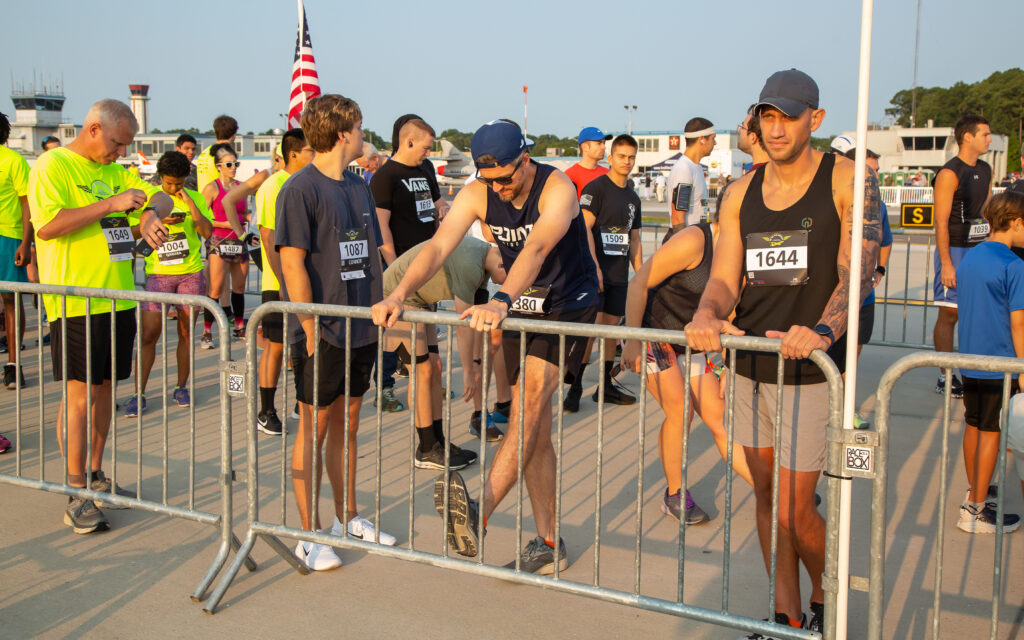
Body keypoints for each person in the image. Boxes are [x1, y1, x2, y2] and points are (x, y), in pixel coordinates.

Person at [685, 69, 880, 634]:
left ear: (815, 120)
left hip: (811, 370)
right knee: (768, 500)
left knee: (797, 508)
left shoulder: (846, 179)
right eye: (767, 117)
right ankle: (784, 616)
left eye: (788, 118)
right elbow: (725, 278)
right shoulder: (739, 192)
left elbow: (859, 272)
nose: (775, 129)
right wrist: (707, 313)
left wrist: (821, 331)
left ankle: (826, 601)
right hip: (750, 365)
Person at [373, 118, 599, 575]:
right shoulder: (479, 192)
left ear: (525, 159)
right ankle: (549, 542)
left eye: (505, 178)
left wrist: (500, 300)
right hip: (522, 303)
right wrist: (398, 294)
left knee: (527, 408)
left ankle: (479, 510)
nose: (498, 189)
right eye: (489, 180)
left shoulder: (558, 189)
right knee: (533, 429)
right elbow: (437, 248)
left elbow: (536, 249)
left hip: (566, 304)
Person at [28, 99, 172, 534]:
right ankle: (75, 491)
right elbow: (48, 226)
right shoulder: (53, 165)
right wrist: (111, 205)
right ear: (93, 129)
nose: (120, 153)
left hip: (118, 299)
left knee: (106, 390)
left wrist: (150, 213)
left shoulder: (115, 171)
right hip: (77, 302)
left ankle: (94, 475)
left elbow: (162, 194)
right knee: (80, 396)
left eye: (126, 145)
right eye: (116, 143)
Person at [277, 94, 397, 571]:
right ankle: (308, 534)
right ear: (343, 132)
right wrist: (309, 324)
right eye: (361, 126)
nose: (365, 134)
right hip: (322, 329)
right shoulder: (300, 189)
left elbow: (370, 252)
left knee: (348, 422)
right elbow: (291, 263)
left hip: (361, 322)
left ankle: (347, 517)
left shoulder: (359, 185)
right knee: (315, 426)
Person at [621, 194, 754, 525]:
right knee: (681, 411)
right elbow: (638, 284)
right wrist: (633, 341)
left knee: (720, 417)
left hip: (692, 341)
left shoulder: (744, 253)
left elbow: (731, 313)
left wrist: (726, 365)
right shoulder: (695, 240)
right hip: (652, 332)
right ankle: (675, 494)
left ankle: (771, 490)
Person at [382, 236, 509, 463]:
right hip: (398, 297)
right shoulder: (471, 262)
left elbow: (475, 321)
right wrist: (468, 372)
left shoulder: (483, 263)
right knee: (422, 372)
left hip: (421, 302)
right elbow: (463, 326)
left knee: (435, 367)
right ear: (502, 264)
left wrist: (476, 363)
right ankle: (427, 448)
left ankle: (438, 441)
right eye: (507, 281)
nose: (503, 287)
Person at [954, 190, 1024, 534]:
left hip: (970, 357)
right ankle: (975, 510)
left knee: (974, 424)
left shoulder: (972, 257)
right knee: (992, 432)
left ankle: (975, 492)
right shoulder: (1014, 264)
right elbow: (1019, 323)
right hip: (1000, 360)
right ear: (1017, 223)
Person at [125, 151, 214, 416]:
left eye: (179, 183)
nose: (174, 188)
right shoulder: (150, 200)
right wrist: (158, 220)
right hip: (159, 274)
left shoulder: (195, 197)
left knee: (186, 333)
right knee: (149, 334)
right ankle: (138, 393)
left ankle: (181, 386)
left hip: (190, 274)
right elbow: (130, 232)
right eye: (169, 183)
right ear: (160, 177)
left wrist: (192, 206)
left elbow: (207, 232)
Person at [371, 116, 448, 413]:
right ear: (409, 141)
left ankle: (429, 379)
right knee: (394, 330)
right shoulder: (385, 176)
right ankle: (385, 387)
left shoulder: (425, 168)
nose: (428, 153)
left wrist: (443, 207)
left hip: (427, 263)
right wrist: (394, 267)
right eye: (425, 148)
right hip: (400, 266)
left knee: (427, 327)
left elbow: (436, 201)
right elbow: (381, 226)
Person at [564, 134, 642, 411]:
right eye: (621, 156)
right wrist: (594, 266)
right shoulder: (596, 189)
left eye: (631, 157)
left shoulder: (633, 197)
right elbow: (584, 228)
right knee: (591, 331)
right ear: (610, 158)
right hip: (595, 275)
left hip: (619, 276)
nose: (626, 161)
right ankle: (575, 387)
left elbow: (634, 240)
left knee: (610, 332)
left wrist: (641, 276)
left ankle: (605, 386)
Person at [829, 138, 894, 429]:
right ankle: (827, 409)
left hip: (863, 299)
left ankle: (845, 410)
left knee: (850, 360)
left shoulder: (879, 206)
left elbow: (886, 241)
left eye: (877, 171)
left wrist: (879, 269)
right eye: (871, 170)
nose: (875, 176)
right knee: (826, 358)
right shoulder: (832, 201)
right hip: (831, 298)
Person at [253, 128, 313, 435]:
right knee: (275, 347)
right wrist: (282, 282)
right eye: (310, 151)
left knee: (303, 345)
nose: (315, 155)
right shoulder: (273, 186)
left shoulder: (307, 183)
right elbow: (268, 236)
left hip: (303, 281)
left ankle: (301, 403)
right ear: (293, 154)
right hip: (277, 283)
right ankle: (266, 410)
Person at [932, 114, 993, 398]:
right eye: (985, 134)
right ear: (968, 137)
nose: (989, 140)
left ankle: (974, 372)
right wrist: (946, 263)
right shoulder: (949, 173)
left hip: (980, 249)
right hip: (955, 250)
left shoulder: (986, 169)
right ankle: (945, 376)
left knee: (977, 313)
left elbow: (987, 213)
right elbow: (941, 222)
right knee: (950, 314)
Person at [200, 142, 248, 347]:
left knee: (239, 286)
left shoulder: (241, 187)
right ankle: (207, 331)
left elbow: (245, 213)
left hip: (239, 240)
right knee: (216, 288)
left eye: (236, 163)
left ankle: (239, 326)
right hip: (219, 241)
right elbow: (202, 218)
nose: (233, 168)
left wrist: (249, 223)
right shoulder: (212, 188)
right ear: (218, 166)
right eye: (229, 164)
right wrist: (225, 224)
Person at [0, 112, 32, 389]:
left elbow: (27, 203)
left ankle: (13, 365)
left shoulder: (13, 161)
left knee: (11, 299)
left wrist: (26, 242)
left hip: (8, 236)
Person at [667, 118, 716, 229]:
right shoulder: (684, 169)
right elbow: (677, 218)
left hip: (696, 235)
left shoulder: (696, 167)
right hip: (685, 236)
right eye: (713, 138)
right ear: (702, 139)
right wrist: (685, 240)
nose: (715, 143)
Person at [564, 127, 611, 199]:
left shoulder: (608, 174)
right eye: (599, 143)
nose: (604, 147)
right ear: (585, 147)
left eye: (604, 143)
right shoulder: (569, 176)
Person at [196, 115, 237, 192]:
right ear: (234, 134)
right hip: (218, 196)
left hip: (203, 197)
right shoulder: (226, 154)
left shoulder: (204, 153)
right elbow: (229, 182)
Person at [738, 107, 770, 174]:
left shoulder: (753, 177)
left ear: (753, 137)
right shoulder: (777, 172)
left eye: (743, 127)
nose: (739, 129)